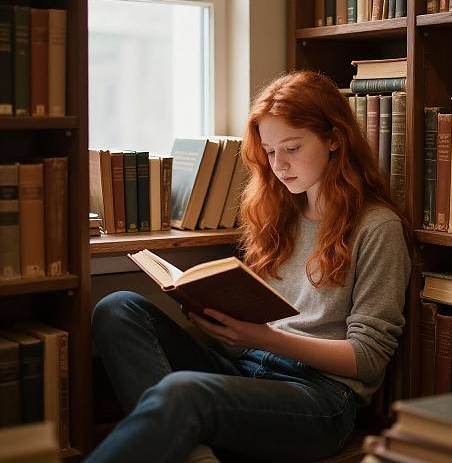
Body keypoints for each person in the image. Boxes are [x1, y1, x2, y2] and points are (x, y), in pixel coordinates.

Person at [86, 71, 412, 463]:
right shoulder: (278, 213)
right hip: (245, 370)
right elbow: (251, 323)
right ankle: (196, 453)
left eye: (291, 148)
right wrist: (215, 316)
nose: (279, 165)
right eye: (271, 152)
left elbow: (369, 357)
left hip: (320, 398)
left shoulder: (377, 227)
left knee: (183, 391)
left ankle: (188, 449)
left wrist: (261, 338)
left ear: (334, 140)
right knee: (118, 308)